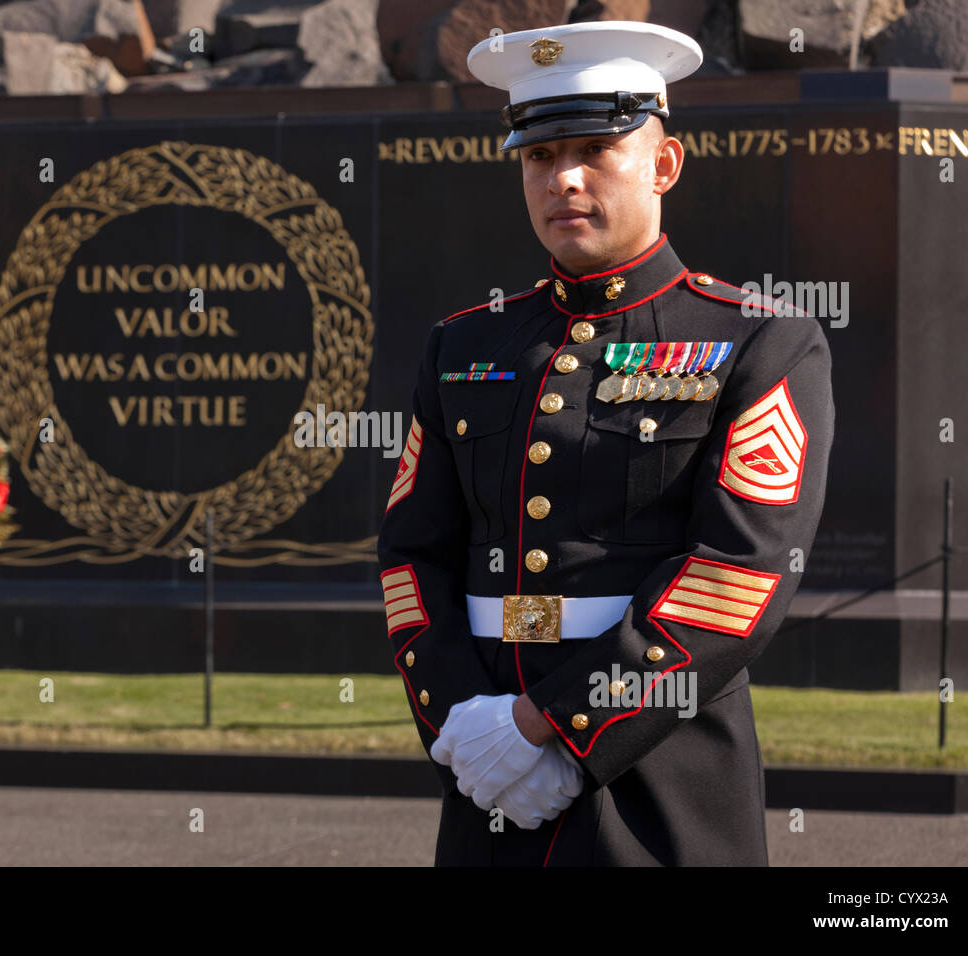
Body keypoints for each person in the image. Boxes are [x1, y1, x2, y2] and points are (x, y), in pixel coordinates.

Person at [376, 21, 834, 866]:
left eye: (594, 149)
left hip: (661, 786)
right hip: (487, 786)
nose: (565, 179)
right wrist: (467, 730)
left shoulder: (760, 341)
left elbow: (736, 578)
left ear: (663, 166)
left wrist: (555, 724)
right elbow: (412, 561)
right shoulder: (466, 345)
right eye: (539, 157)